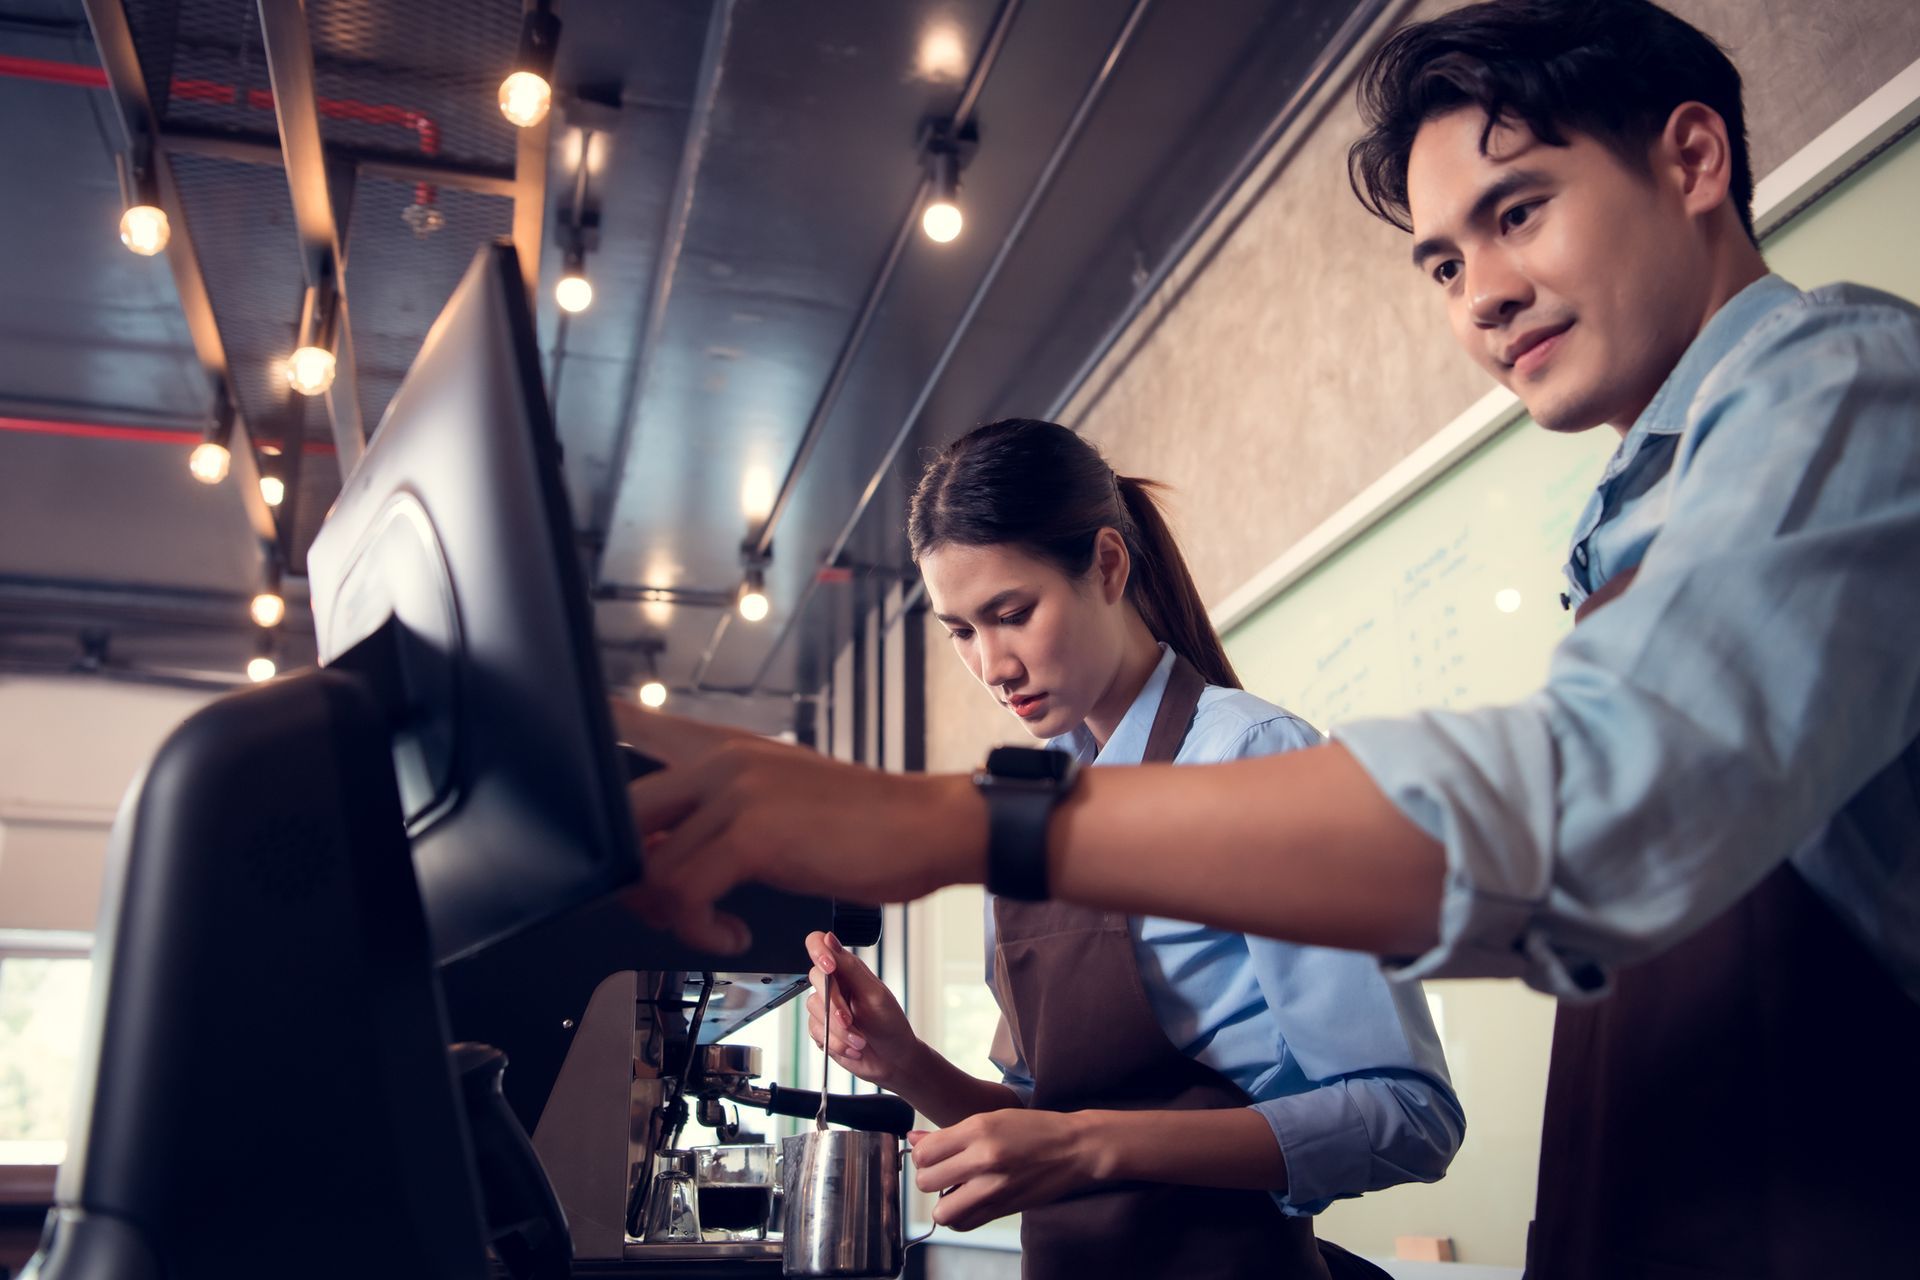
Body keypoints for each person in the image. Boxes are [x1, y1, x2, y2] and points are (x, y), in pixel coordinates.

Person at [615, 1, 1920, 1272]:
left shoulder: (1842, 382)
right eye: (1447, 262)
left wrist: (960, 820)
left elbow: (1602, 813)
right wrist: (912, 1067)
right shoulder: (1645, 517)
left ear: (1693, 159)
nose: (1483, 296)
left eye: (1518, 211)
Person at [797, 419, 1460, 1278]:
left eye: (1012, 613)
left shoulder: (1251, 757)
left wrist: (1086, 1147)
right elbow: (1047, 1118)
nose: (991, 665)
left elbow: (1410, 1115)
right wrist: (905, 1063)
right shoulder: (1025, 805)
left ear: (1109, 565)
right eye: (960, 631)